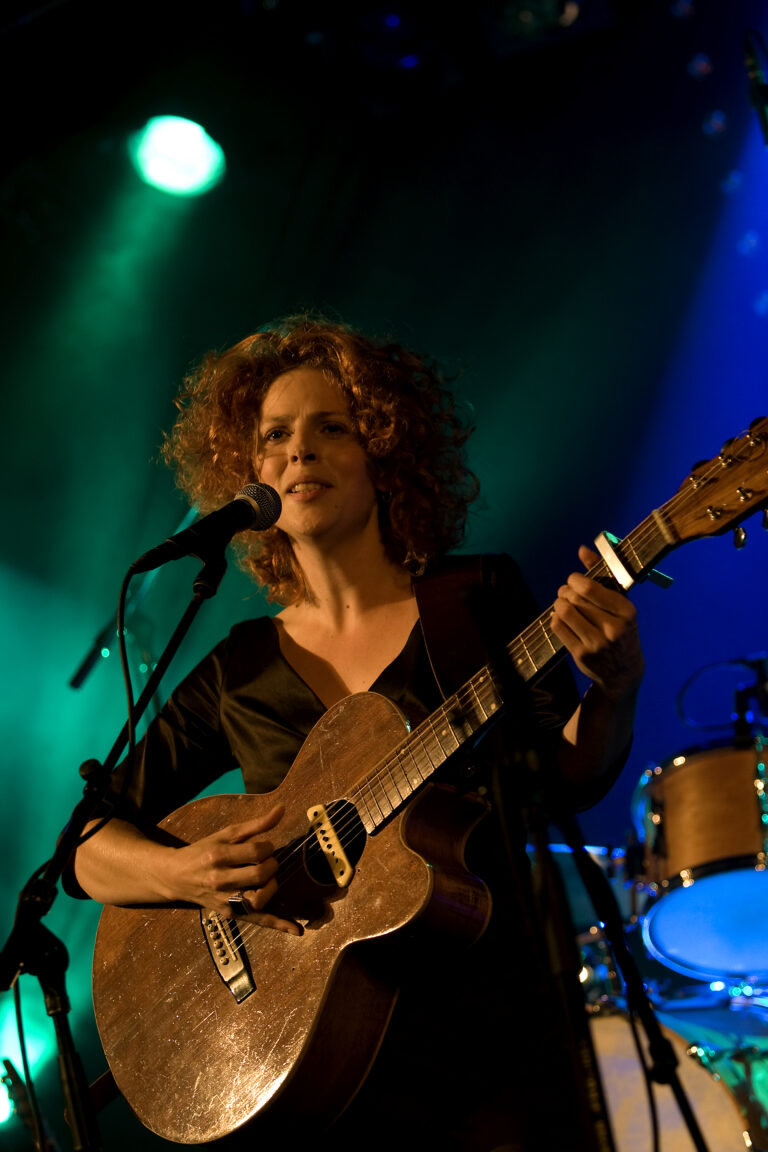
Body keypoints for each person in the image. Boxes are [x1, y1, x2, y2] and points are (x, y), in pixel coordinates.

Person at [70, 315, 644, 1151]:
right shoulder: (238, 668)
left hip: (488, 1044)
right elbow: (84, 846)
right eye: (274, 438)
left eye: (330, 428)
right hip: (314, 1071)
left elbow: (568, 775)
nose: (298, 453)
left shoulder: (473, 602)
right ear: (249, 475)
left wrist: (618, 684)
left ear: (383, 453)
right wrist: (186, 872)